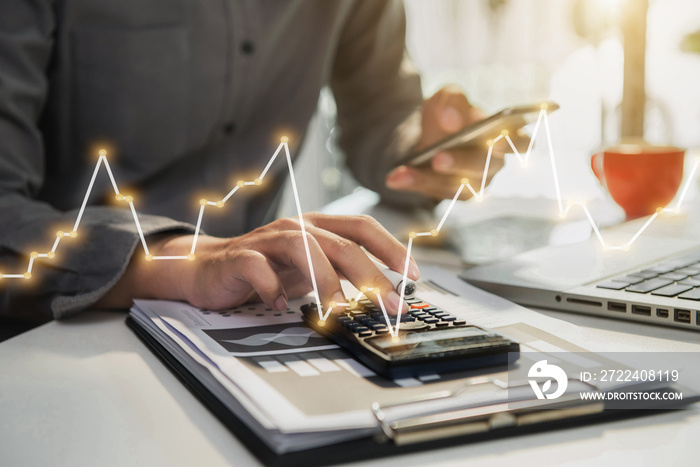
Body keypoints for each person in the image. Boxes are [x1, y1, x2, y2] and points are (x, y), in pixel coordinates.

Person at [0, 0, 513, 322]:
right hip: (50, 332)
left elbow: (380, 114)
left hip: (254, 306)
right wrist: (181, 260)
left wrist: (425, 155)